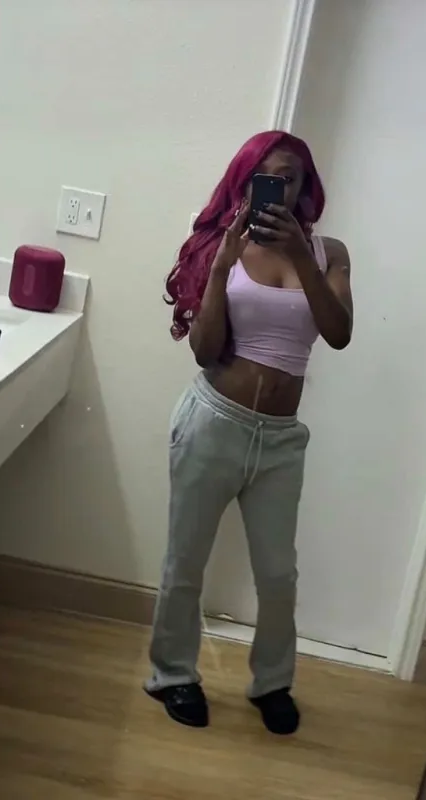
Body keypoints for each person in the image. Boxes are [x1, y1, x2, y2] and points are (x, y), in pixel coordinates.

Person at [145, 130, 353, 735]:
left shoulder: (330, 253)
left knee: (278, 574)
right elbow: (205, 350)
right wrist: (220, 267)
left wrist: (301, 256)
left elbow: (338, 332)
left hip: (280, 440)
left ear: (304, 186)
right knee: (186, 561)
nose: (279, 188)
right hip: (214, 421)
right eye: (268, 176)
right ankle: (172, 674)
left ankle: (272, 683)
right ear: (245, 181)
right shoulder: (223, 247)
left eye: (290, 178)